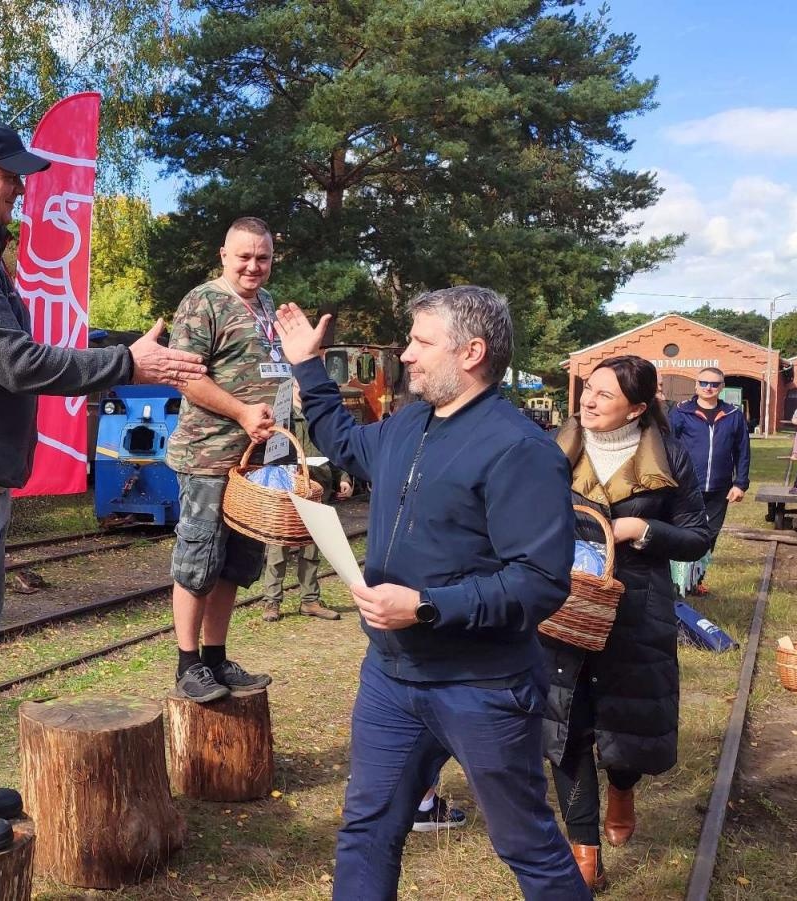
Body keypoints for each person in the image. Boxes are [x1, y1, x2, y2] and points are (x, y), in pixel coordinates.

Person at [0, 115, 206, 854]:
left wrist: (124, 349)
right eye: (9, 175)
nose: (22, 187)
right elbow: (19, 364)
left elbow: (26, 351)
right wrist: (129, 366)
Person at [274, 286, 589, 900]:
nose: (408, 355)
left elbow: (539, 583)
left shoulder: (520, 449)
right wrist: (307, 368)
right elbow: (344, 441)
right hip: (393, 679)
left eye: (422, 342)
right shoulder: (410, 422)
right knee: (368, 829)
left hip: (483, 687)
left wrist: (424, 605)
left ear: (471, 352)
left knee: (525, 843)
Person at [541, 355, 711, 889]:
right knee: (566, 720)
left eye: (604, 395)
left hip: (636, 606)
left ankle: (623, 785)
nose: (587, 402)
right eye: (587, 390)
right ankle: (584, 844)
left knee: (627, 718)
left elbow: (697, 536)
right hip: (562, 603)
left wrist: (643, 528)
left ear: (637, 408)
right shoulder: (552, 451)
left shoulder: (671, 458)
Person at [165, 216, 286, 703]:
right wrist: (240, 412)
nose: (253, 266)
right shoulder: (203, 302)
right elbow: (183, 375)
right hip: (210, 457)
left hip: (258, 461)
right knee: (199, 560)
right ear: (223, 255)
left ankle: (215, 659)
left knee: (237, 565)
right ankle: (187, 665)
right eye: (244, 257)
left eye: (263, 258)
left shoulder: (267, 304)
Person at [261, 378, 352, 622]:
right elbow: (268, 451)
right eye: (300, 385)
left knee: (311, 549)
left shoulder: (319, 415)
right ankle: (272, 602)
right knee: (278, 548)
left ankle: (310, 601)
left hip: (317, 488)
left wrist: (343, 477)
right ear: (291, 387)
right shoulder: (280, 416)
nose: (304, 390)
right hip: (286, 489)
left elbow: (334, 449)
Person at [668, 367, 749, 595]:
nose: (708, 388)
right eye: (704, 383)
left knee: (709, 535)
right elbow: (668, 446)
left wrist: (740, 483)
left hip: (719, 488)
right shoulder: (681, 412)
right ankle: (674, 582)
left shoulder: (733, 415)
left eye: (714, 384)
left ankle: (695, 581)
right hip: (685, 486)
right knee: (681, 533)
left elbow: (743, 450)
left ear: (721, 387)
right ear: (696, 385)